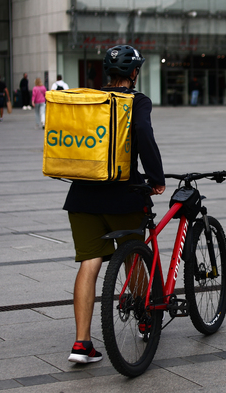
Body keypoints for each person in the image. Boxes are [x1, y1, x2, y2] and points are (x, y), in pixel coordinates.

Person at [65, 45, 165, 364]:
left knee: (89, 263)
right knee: (133, 258)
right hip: (123, 193)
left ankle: (81, 344)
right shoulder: (136, 101)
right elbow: (143, 133)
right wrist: (156, 177)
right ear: (133, 73)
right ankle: (145, 319)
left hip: (81, 194)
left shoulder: (89, 98)